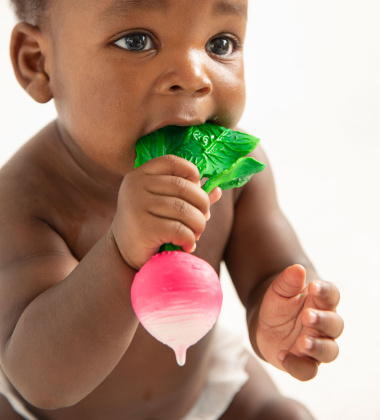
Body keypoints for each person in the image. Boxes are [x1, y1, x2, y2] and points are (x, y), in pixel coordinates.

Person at [0, 0, 344, 419]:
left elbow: (274, 270)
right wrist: (121, 251)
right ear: (38, 62)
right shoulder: (25, 199)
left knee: (287, 416)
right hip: (43, 412)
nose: (194, 78)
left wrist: (288, 312)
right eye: (136, 41)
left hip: (196, 390)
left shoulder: (231, 175)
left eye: (220, 43)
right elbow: (43, 381)